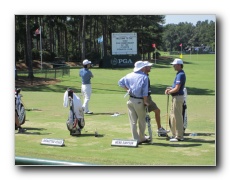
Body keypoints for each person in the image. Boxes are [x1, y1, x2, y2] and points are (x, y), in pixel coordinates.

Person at [118, 61, 152, 145]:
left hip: (130, 100)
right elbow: (145, 92)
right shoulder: (144, 77)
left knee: (133, 121)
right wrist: (145, 101)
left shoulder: (129, 75)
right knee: (142, 120)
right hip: (139, 101)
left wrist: (127, 89)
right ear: (142, 68)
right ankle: (142, 138)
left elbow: (120, 82)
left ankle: (135, 139)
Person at [143, 61, 170, 136]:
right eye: (149, 66)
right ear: (144, 67)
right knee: (142, 116)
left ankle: (159, 129)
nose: (150, 67)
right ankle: (142, 133)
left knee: (157, 111)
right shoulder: (142, 76)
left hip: (148, 97)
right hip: (144, 98)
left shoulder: (146, 75)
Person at [165, 58, 186, 142]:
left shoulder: (180, 74)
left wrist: (169, 91)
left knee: (177, 117)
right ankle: (174, 134)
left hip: (177, 97)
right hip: (176, 97)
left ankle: (179, 136)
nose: (173, 66)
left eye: (174, 65)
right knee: (173, 116)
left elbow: (177, 89)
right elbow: (176, 87)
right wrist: (170, 89)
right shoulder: (179, 73)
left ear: (179, 65)